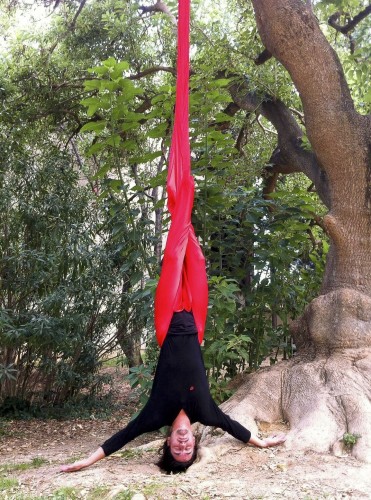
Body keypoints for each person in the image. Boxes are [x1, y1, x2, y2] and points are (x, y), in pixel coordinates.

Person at [61, 310, 286, 474]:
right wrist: (263, 443)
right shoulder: (206, 413)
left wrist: (87, 462)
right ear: (194, 442)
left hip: (169, 320)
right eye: (188, 450)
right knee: (196, 256)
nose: (183, 445)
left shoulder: (155, 415)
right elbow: (235, 428)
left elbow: (122, 437)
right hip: (194, 318)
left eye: (178, 450)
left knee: (176, 256)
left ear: (168, 443)